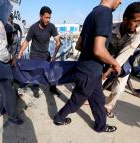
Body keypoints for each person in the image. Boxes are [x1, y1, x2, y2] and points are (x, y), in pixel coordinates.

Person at [53, 0, 122, 133]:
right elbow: (99, 50)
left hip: (91, 71)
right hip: (89, 73)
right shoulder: (106, 13)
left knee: (98, 100)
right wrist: (115, 63)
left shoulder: (93, 13)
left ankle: (101, 126)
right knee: (76, 101)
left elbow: (79, 45)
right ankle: (59, 118)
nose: (121, 2)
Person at [103, 2, 140, 118]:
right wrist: (105, 69)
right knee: (96, 79)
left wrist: (108, 72)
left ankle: (107, 106)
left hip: (124, 60)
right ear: (125, 19)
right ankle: (88, 97)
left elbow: (125, 53)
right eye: (136, 21)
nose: (139, 24)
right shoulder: (111, 28)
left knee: (119, 89)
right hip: (107, 57)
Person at [18, 6, 61, 98]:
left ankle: (52, 88)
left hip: (46, 54)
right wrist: (20, 54)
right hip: (34, 55)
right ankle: (35, 89)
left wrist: (54, 57)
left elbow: (58, 42)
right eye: (46, 17)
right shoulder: (33, 28)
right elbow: (26, 41)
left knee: (52, 71)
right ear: (40, 16)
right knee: (35, 74)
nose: (48, 20)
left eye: (49, 17)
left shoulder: (51, 27)